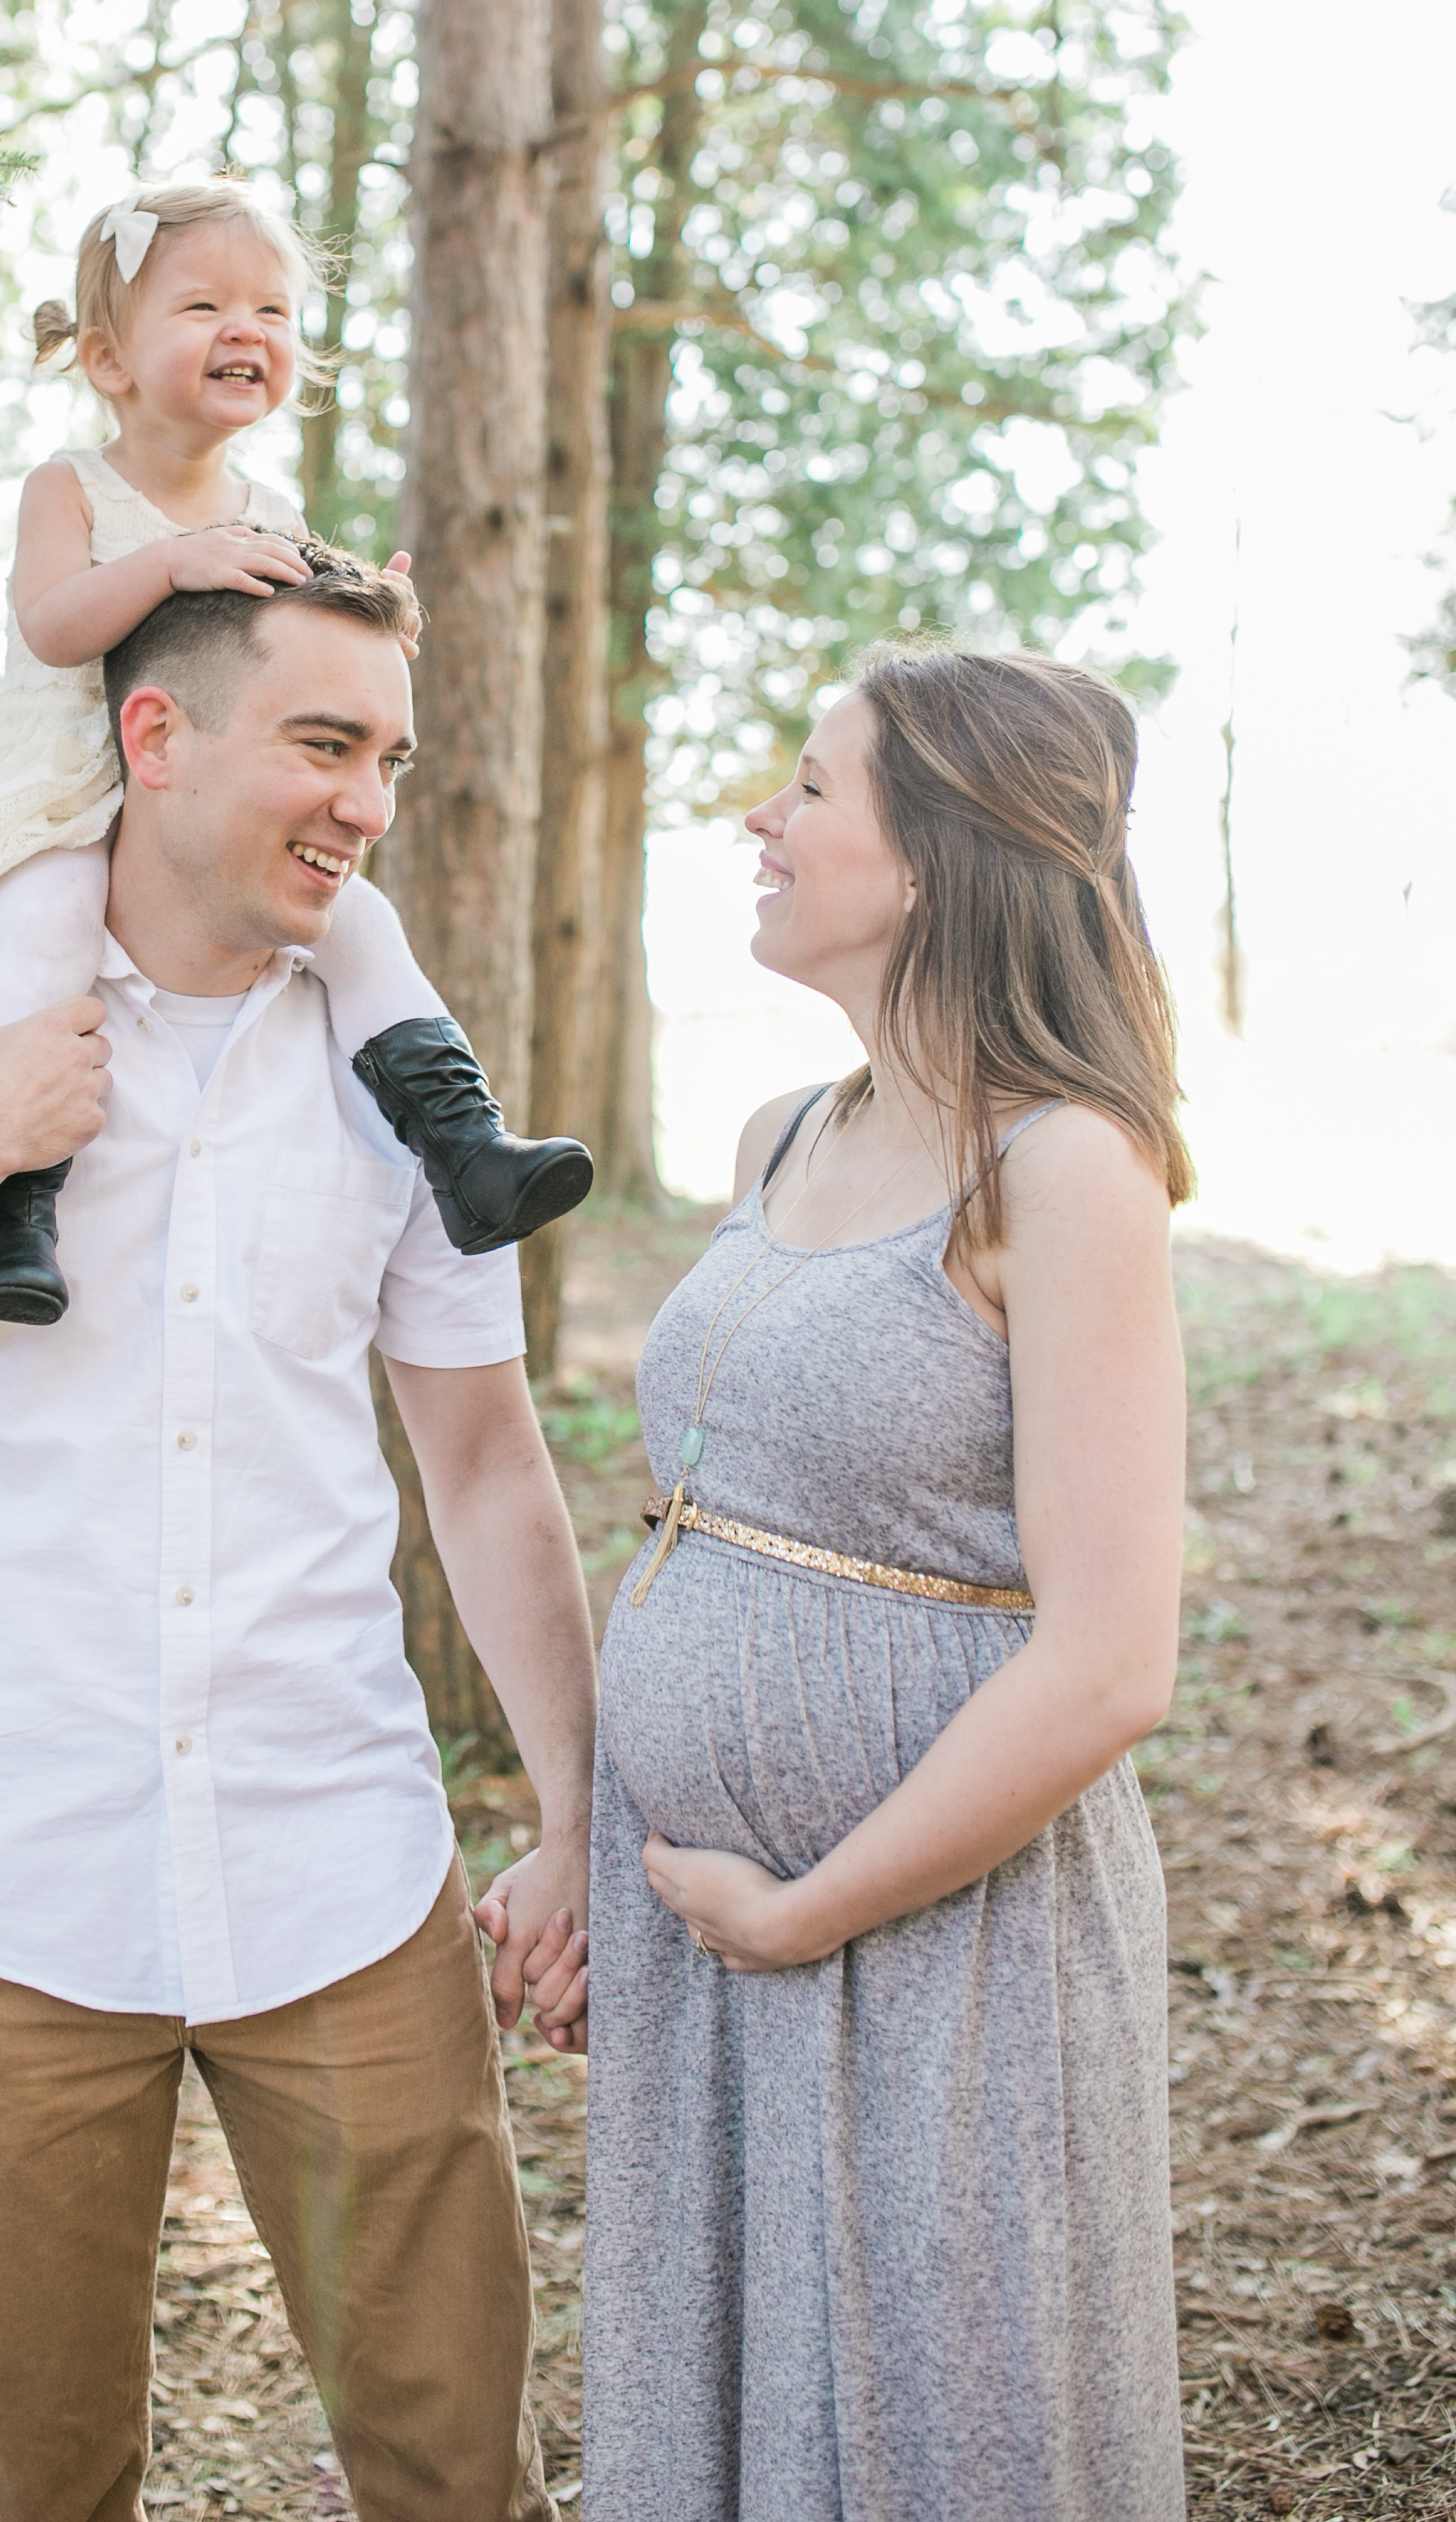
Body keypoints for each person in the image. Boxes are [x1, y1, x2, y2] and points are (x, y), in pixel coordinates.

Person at [0, 542, 597, 2522]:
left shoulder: (398, 1075)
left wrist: (580, 1808)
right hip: (14, 1879)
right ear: (155, 736)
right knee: (45, 2485)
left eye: (393, 759)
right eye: (325, 743)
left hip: (340, 1865)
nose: (367, 801)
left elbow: (488, 1462)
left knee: (455, 2475)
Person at [578, 644, 1191, 2522]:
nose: (763, 821)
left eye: (810, 787)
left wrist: (812, 1907)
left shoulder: (1062, 1169)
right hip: (719, 1935)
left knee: (936, 2419)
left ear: (930, 855)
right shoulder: (789, 1133)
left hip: (934, 1938)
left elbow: (1109, 1663)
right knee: (738, 2403)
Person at [0, 172, 590, 1325]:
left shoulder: (268, 502)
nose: (245, 330)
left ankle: (463, 1142)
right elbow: (52, 624)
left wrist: (369, 610)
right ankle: (14, 1211)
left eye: (271, 312)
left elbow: (296, 649)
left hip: (203, 803)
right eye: (201, 309)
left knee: (365, 923)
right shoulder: (71, 487)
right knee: (43, 933)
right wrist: (168, 565)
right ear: (107, 360)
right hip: (68, 793)